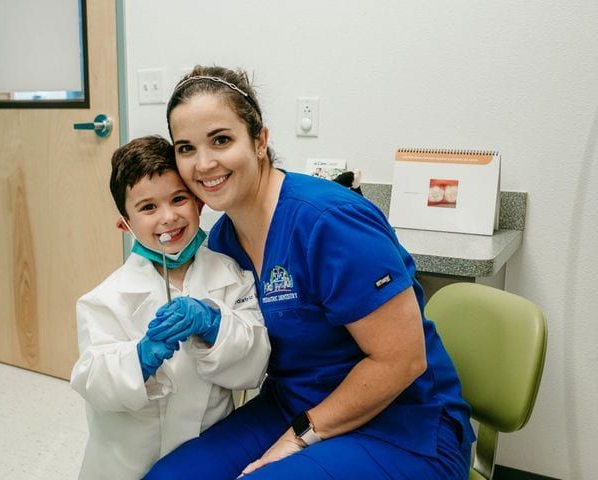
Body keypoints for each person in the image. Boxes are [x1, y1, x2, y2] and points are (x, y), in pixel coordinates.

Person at [143, 67, 476, 479]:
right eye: (186, 148)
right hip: (291, 404)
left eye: (222, 140)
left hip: (405, 427)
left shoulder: (330, 222)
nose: (204, 163)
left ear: (260, 141)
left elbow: (402, 360)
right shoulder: (224, 240)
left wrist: (298, 437)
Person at [70, 135, 270, 480]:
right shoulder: (103, 300)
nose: (168, 217)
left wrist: (213, 324)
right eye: (148, 207)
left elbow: (254, 364)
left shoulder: (234, 276)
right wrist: (140, 357)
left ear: (199, 204)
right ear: (125, 224)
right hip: (127, 460)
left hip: (206, 451)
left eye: (179, 199)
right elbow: (93, 381)